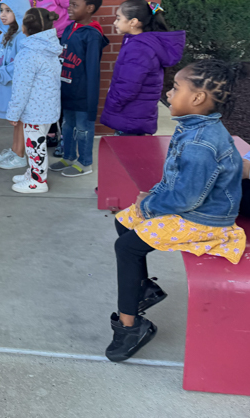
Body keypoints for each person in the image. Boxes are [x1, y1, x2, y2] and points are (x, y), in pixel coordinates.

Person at [106, 60, 247, 362]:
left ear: (197, 99)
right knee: (124, 222)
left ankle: (131, 327)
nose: (168, 94)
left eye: (175, 88)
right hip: (192, 207)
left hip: (203, 220)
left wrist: (149, 204)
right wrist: (150, 200)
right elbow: (177, 183)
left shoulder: (201, 143)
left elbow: (185, 199)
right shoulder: (195, 127)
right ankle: (142, 288)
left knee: (127, 247)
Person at [100, 0, 185, 136]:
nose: (115, 23)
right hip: (137, 114)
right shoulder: (141, 43)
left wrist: (113, 104)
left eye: (118, 18)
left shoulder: (138, 48)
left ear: (133, 22)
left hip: (130, 116)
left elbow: (128, 86)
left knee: (124, 154)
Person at [49, 0, 109, 178]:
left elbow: (93, 70)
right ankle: (68, 157)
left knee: (83, 129)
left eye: (75, 5)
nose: (70, 8)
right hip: (67, 89)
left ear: (90, 8)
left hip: (82, 93)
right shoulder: (68, 29)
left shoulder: (91, 35)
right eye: (70, 4)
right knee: (67, 125)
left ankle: (85, 162)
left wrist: (91, 101)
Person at [5, 8, 63, 194]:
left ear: (25, 28)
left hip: (34, 110)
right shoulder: (50, 47)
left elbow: (21, 88)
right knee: (35, 144)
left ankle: (38, 181)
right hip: (47, 107)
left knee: (35, 146)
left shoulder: (28, 54)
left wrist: (14, 113)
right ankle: (32, 173)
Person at [0, 0, 30, 169]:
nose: (3, 14)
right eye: (1, 10)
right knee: (14, 120)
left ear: (20, 12)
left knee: (19, 120)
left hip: (17, 89)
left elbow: (20, 65)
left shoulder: (23, 37)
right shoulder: (3, 35)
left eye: (8, 10)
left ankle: (20, 155)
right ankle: (14, 149)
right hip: (5, 87)